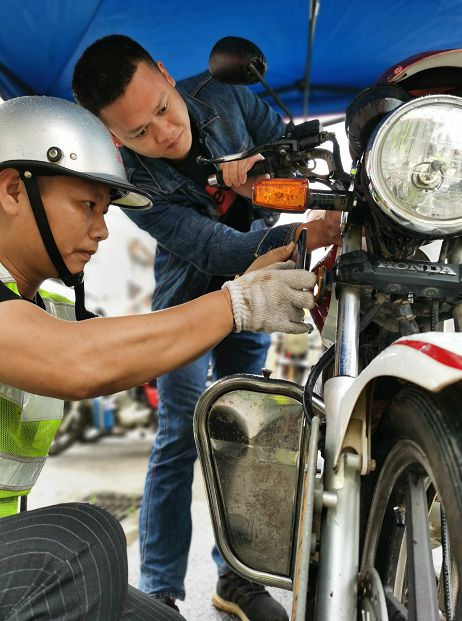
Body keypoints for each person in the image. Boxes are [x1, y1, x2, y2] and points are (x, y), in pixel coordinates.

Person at [0, 94, 316, 621]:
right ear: (13, 189)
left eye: (105, 211)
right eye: (87, 206)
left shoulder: (41, 304)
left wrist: (244, 285)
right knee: (85, 537)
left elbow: (126, 349)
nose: (102, 229)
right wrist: (236, 304)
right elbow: (80, 361)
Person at [72, 34, 341, 621]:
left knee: (249, 438)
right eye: (139, 132)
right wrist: (301, 237)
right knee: (178, 437)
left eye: (163, 108)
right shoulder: (131, 183)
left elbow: (291, 144)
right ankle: (161, 590)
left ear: (168, 74)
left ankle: (238, 580)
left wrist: (269, 171)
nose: (163, 133)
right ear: (114, 137)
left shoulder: (227, 94)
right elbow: (215, 250)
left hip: (263, 290)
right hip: (188, 299)